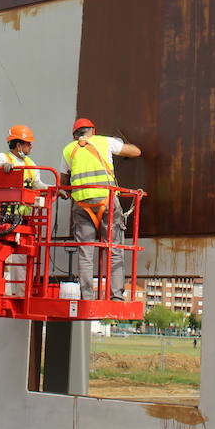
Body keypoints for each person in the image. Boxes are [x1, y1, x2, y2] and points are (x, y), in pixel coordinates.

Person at [60, 117, 141, 302]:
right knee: (114, 249)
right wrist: (120, 143)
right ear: (92, 131)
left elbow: (63, 182)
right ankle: (116, 296)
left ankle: (87, 297)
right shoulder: (104, 141)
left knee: (85, 252)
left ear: (75, 135)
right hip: (107, 203)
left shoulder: (68, 150)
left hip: (82, 206)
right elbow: (136, 152)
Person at [0, 124, 46, 232]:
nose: (31, 146)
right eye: (28, 144)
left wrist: (54, 189)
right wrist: (1, 167)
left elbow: (37, 185)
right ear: (19, 145)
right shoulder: (1, 159)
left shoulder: (31, 165)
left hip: (23, 220)